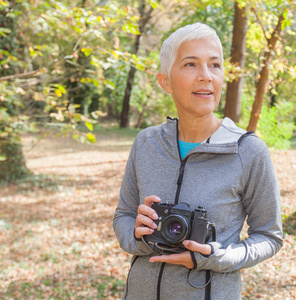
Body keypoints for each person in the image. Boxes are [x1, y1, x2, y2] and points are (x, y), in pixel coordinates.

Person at [113, 22, 283, 300]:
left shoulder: (249, 151)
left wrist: (214, 257)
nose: (206, 76)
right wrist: (138, 235)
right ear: (165, 81)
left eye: (215, 65)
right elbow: (123, 216)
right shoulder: (146, 143)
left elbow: (270, 237)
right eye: (191, 64)